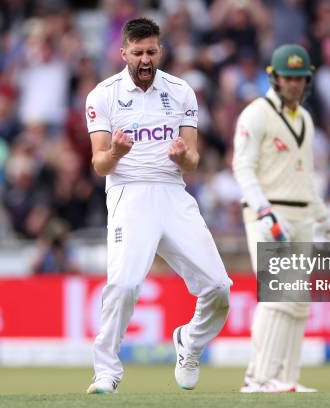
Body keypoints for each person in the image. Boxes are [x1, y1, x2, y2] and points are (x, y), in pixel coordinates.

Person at [85, 18, 231, 394]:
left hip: (172, 191)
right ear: (123, 54)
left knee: (218, 286)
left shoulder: (182, 91)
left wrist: (183, 157)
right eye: (137, 53)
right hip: (128, 192)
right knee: (124, 284)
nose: (145, 60)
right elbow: (99, 164)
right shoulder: (103, 95)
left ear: (160, 51)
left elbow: (194, 160)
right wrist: (115, 152)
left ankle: (190, 343)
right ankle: (106, 372)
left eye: (151, 51)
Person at [232, 44, 330, 392]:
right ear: (274, 77)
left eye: (299, 78)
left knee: (297, 301)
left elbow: (305, 178)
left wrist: (325, 218)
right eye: (287, 77)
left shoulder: (306, 120)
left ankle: (287, 379)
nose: (293, 84)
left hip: (302, 216)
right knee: (278, 294)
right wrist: (264, 210)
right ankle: (258, 377)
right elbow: (242, 166)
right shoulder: (256, 113)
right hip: (268, 215)